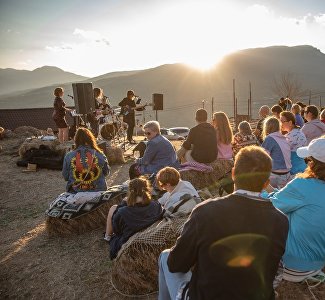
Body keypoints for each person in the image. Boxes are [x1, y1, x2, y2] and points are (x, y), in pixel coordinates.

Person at [158, 146, 288, 300]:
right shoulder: (281, 221)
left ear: (233, 174)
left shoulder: (205, 211)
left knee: (166, 257)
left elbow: (176, 264)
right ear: (266, 183)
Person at [269, 137, 325, 282]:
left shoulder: (303, 185)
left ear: (313, 163)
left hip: (294, 266)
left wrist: (263, 188)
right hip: (318, 262)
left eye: (307, 160)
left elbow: (270, 205)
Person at [105, 177, 163, 259]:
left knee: (113, 208)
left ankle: (107, 236)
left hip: (130, 240)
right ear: (147, 189)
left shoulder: (122, 212)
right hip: (151, 234)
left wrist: (123, 204)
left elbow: (117, 231)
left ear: (130, 191)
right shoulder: (156, 205)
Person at [62, 127, 110, 193]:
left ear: (76, 140)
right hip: (98, 192)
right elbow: (106, 172)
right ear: (91, 139)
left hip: (75, 192)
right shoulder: (100, 154)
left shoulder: (69, 156)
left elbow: (65, 176)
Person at [261, 117, 292, 189]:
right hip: (287, 173)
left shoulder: (270, 138)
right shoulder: (284, 138)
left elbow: (262, 157)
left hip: (275, 174)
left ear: (267, 127)